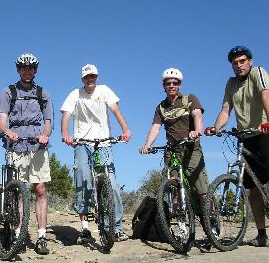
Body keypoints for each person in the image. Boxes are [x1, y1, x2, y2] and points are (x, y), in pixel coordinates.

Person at [205, 46, 269, 247]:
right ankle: (261, 234)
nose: (239, 65)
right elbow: (226, 110)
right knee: (252, 189)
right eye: (235, 62)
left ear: (249, 61)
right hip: (244, 136)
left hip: (264, 133)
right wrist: (215, 128)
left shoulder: (258, 72)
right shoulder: (231, 83)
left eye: (242, 61)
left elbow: (266, 95)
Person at [61, 64, 131, 244]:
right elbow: (66, 115)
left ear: (97, 77)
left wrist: (125, 129)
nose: (90, 79)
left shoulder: (104, 90)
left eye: (93, 76)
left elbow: (115, 109)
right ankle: (85, 229)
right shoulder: (75, 94)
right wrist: (65, 134)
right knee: (83, 180)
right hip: (82, 143)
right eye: (87, 77)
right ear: (82, 79)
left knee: (112, 184)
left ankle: (115, 228)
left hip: (103, 143)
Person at [0, 53, 54, 255]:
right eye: (23, 68)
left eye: (31, 68)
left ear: (36, 70)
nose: (27, 71)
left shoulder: (43, 93)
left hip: (37, 146)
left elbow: (48, 123)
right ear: (18, 69)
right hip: (16, 145)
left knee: (40, 190)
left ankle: (41, 237)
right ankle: (18, 235)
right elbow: (2, 121)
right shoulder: (8, 92)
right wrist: (8, 132)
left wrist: (45, 135)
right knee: (19, 193)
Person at [140, 67, 209, 210]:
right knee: (174, 187)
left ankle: (211, 219)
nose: (171, 86)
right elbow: (156, 127)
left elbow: (197, 115)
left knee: (201, 189)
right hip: (172, 151)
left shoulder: (189, 99)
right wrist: (147, 145)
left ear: (179, 85)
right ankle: (181, 222)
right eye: (168, 83)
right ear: (163, 86)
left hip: (191, 148)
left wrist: (197, 131)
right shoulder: (161, 107)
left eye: (175, 83)